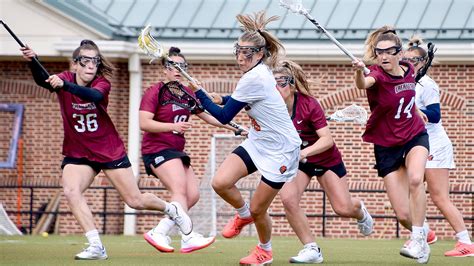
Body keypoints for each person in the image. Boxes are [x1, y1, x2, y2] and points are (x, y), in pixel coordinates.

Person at [20, 40, 192, 260]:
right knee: (71, 190)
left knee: (135, 200)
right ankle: (95, 246)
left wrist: (64, 86)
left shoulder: (101, 84)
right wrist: (33, 61)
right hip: (79, 152)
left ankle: (171, 209)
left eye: (95, 61)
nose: (91, 65)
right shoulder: (64, 78)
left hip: (109, 150)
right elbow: (42, 80)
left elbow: (94, 97)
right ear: (75, 64)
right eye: (86, 60)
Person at [189, 11, 301, 265]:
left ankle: (265, 251)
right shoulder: (254, 75)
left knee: (259, 208)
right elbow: (237, 100)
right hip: (259, 141)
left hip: (281, 150)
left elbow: (225, 116)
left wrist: (201, 93)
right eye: (238, 51)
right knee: (220, 182)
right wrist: (221, 97)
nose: (240, 57)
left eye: (247, 53)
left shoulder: (255, 77)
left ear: (260, 54)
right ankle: (242, 215)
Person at [273, 59, 374, 263]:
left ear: (292, 84)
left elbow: (327, 140)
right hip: (299, 164)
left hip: (325, 159)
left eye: (281, 82)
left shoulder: (310, 104)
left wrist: (303, 153)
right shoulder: (272, 107)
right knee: (288, 199)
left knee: (342, 208)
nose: (276, 87)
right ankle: (312, 249)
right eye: (272, 83)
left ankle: (360, 211)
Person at [140, 47, 239, 253]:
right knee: (179, 191)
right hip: (157, 148)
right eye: (173, 66)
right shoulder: (155, 91)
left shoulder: (187, 94)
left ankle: (159, 231)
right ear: (164, 69)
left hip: (176, 151)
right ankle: (188, 236)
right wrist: (171, 127)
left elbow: (211, 117)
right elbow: (144, 123)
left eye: (182, 66)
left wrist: (237, 128)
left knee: (192, 195)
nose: (178, 69)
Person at [352, 26, 431, 263]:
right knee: (403, 214)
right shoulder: (376, 75)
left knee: (416, 179)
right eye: (379, 52)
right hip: (386, 145)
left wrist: (415, 109)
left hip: (414, 135)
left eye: (389, 52)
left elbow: (406, 94)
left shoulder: (408, 69)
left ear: (399, 53)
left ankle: (417, 239)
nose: (384, 56)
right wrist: (358, 72)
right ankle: (421, 234)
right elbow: (362, 84)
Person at [404, 36, 474, 257]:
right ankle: (423, 233)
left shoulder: (427, 85)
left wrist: (415, 110)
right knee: (410, 189)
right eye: (405, 59)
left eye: (413, 60)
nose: (408, 63)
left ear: (423, 62)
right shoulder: (405, 83)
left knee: (439, 196)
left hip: (434, 144)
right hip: (417, 143)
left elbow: (434, 115)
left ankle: (466, 242)